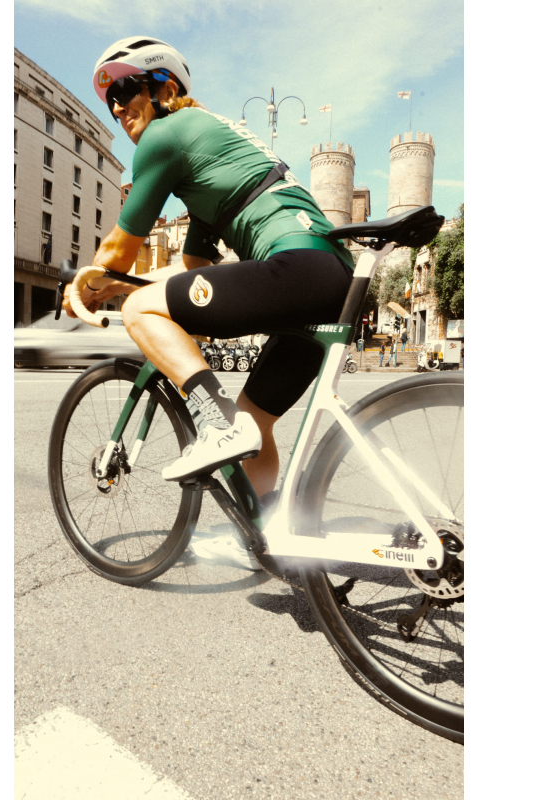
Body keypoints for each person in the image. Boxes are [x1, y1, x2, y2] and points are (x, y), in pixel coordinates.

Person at [65, 36, 355, 536]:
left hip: (297, 266)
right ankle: (271, 537)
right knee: (254, 423)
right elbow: (194, 269)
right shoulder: (209, 154)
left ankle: (216, 425)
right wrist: (123, 289)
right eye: (110, 99)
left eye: (126, 89)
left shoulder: (167, 134)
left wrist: (87, 284)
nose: (116, 107)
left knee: (140, 313)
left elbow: (117, 250)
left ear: (165, 88)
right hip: (326, 278)